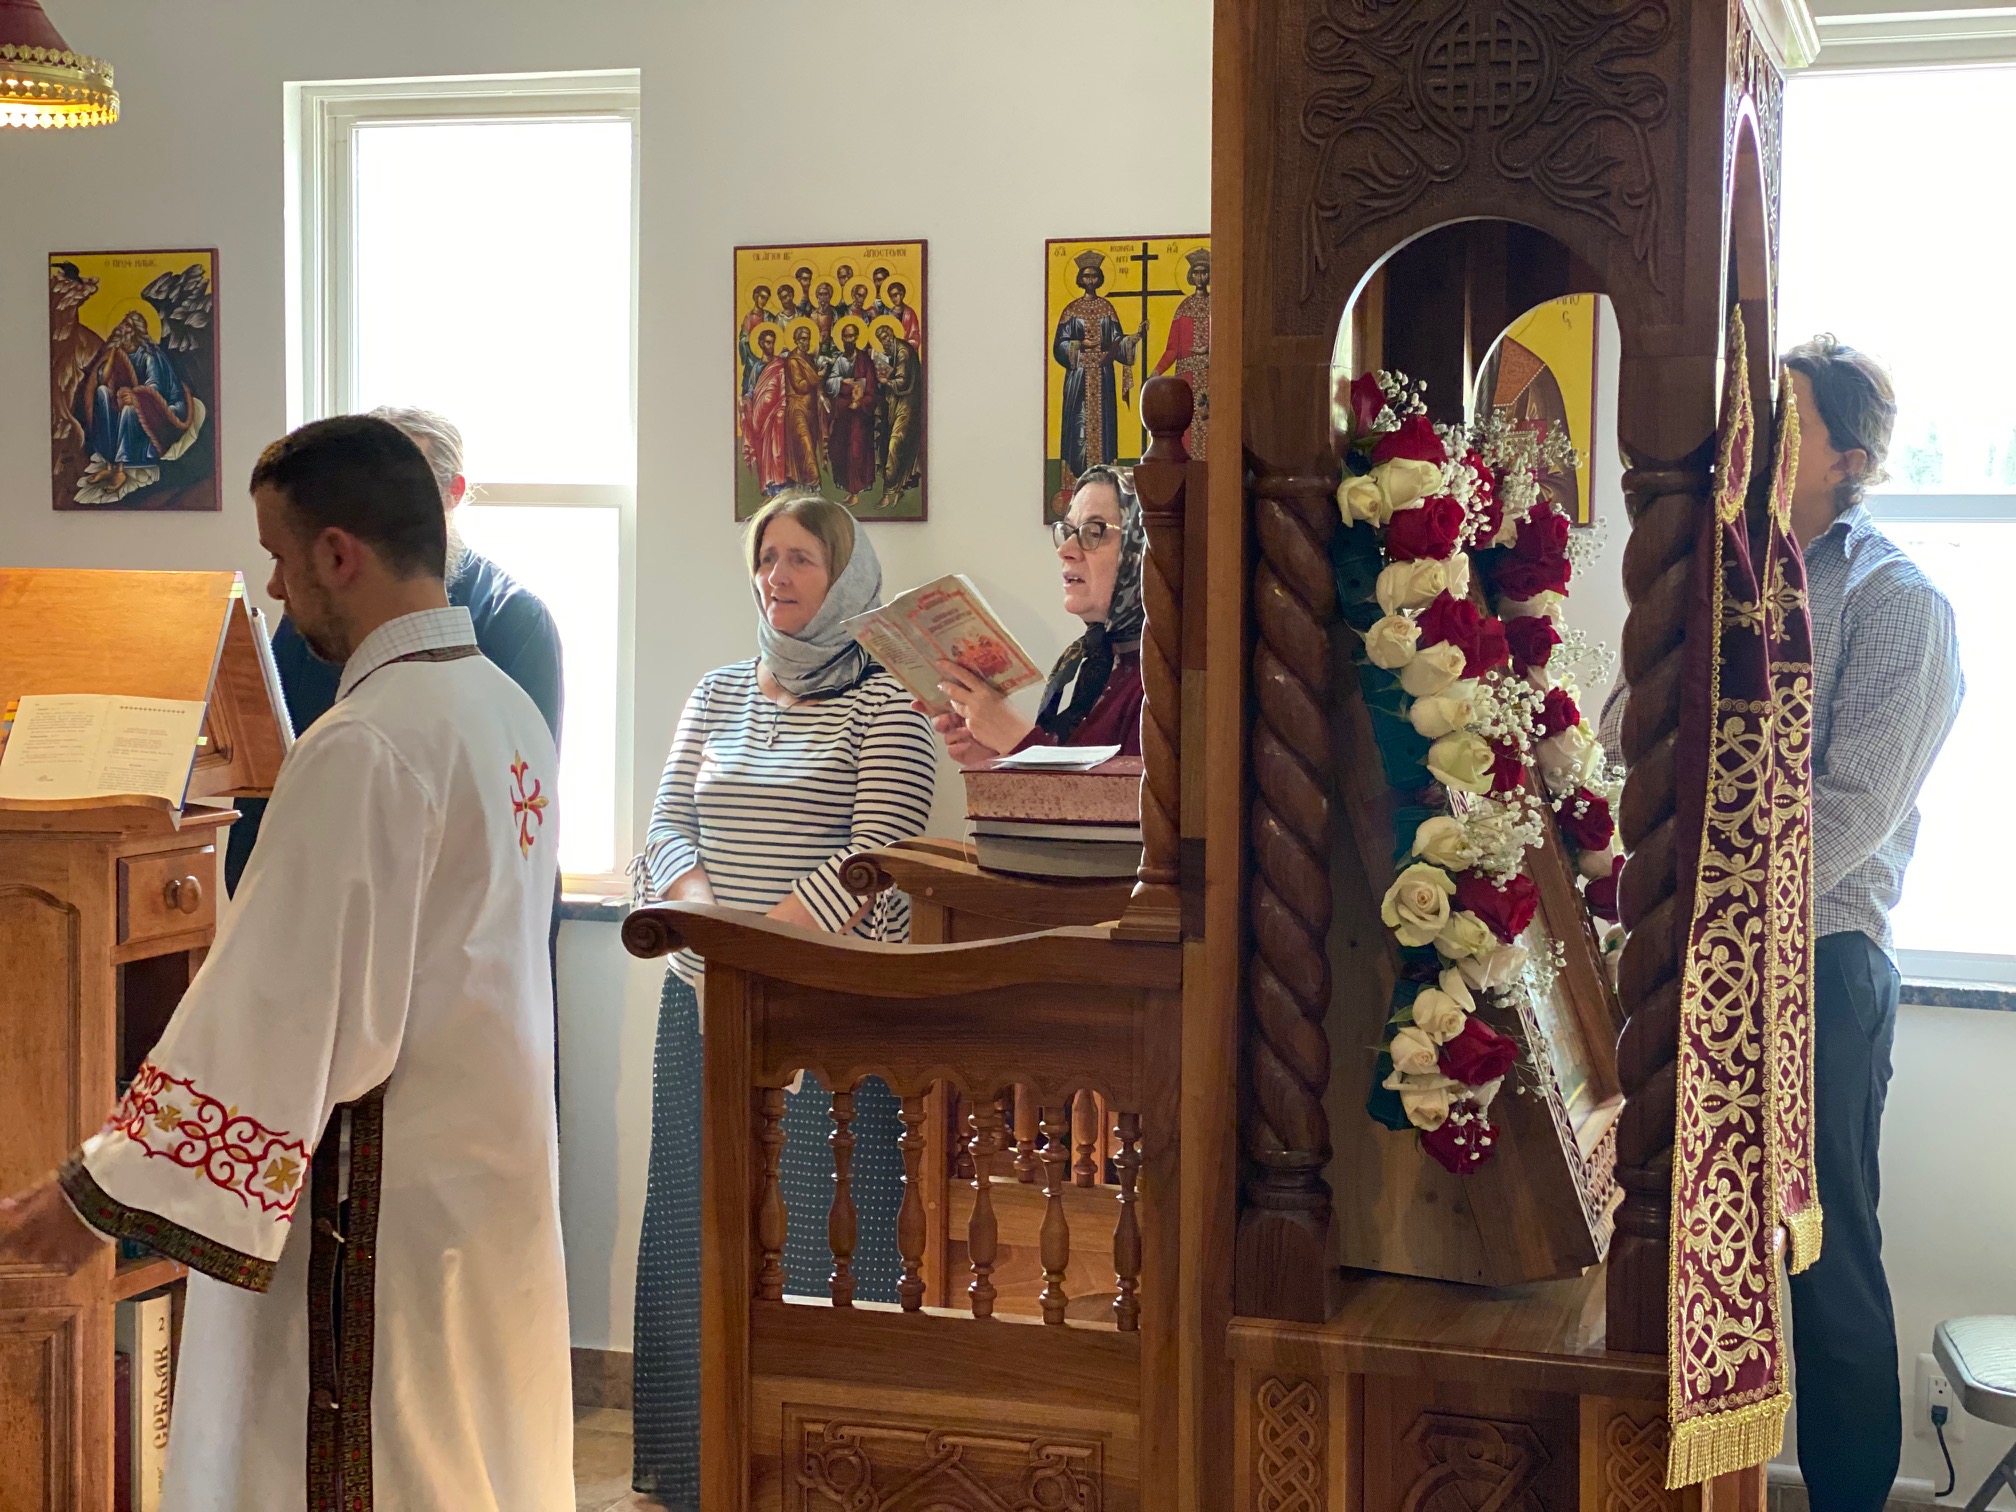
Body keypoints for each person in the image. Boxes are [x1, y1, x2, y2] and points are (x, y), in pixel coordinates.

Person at [0, 416, 573, 1508]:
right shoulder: (502, 711)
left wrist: (93, 1192)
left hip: (384, 1209)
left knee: (385, 1466)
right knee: (475, 1454)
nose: (273, 588)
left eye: (278, 555)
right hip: (489, 1187)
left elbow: (283, 1005)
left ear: (338, 553)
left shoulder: (367, 742)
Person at [1600, 335, 1962, 1512]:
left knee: (1824, 1253)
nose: (1751, 437)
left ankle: (1849, 1498)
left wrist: (1711, 901)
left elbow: (1849, 813)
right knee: (1676, 1233)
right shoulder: (1717, 573)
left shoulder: (1898, 602)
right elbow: (1618, 733)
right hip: (1689, 954)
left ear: (1849, 457)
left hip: (1821, 966)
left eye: (1785, 418)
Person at [627, 491, 936, 1506]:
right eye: (767, 558)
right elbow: (666, 828)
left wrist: (758, 949)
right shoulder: (717, 691)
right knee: (699, 1228)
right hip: (704, 1000)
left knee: (821, 1233)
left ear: (846, 577)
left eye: (802, 558)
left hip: (827, 1015)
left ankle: (822, 1474)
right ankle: (696, 1465)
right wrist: (708, 929)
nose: (778, 576)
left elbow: (875, 856)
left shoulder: (890, 703)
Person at [222, 406, 564, 894]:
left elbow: (518, 813)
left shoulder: (514, 619)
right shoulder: (313, 616)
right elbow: (270, 763)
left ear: (451, 495)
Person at [930, 465, 1146, 762]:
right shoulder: (1102, 667)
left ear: (1143, 548)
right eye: (1068, 531)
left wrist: (1016, 739)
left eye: (1093, 532)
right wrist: (994, 754)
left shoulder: (1164, 682)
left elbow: (1121, 793)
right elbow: (1069, 783)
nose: (1066, 549)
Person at [1053, 250, 1147, 486]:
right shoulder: (1071, 310)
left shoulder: (1107, 308)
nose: (1091, 280)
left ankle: (1106, 481)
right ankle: (1075, 481)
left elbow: (1117, 342)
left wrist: (1134, 337)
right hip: (1079, 376)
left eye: (1094, 276)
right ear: (1080, 279)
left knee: (1105, 426)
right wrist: (1079, 344)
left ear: (1100, 278)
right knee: (1078, 427)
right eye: (1086, 276)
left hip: (1103, 374)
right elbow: (1059, 345)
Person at [1150, 247, 1212, 459]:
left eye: (1204, 272)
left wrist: (1208, 349)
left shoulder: (1217, 306)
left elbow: (1227, 342)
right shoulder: (1183, 308)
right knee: (1186, 425)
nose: (1200, 277)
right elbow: (1172, 349)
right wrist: (1156, 372)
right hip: (1186, 380)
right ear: (1190, 276)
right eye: (1196, 272)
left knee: (1210, 423)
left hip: (1211, 377)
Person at [824, 320, 880, 503]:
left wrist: (861, 402)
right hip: (844, 414)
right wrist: (841, 382)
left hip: (860, 416)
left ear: (856, 338)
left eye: (851, 336)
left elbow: (871, 389)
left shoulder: (865, 360)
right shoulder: (840, 360)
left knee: (856, 451)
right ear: (841, 338)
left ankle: (855, 491)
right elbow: (830, 384)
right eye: (845, 336)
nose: (848, 340)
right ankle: (847, 486)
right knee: (838, 449)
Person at [872, 320, 923, 509]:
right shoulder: (893, 351)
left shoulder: (903, 352)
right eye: (881, 339)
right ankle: (897, 489)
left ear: (892, 335)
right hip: (895, 404)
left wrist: (886, 381)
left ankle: (888, 493)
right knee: (889, 445)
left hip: (907, 405)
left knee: (895, 444)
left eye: (886, 337)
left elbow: (902, 382)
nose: (884, 342)